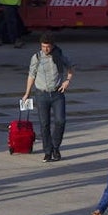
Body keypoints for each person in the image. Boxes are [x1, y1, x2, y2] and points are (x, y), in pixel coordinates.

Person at [21, 33, 74, 163]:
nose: (45, 49)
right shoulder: (37, 57)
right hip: (41, 94)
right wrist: (27, 93)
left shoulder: (59, 56)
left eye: (48, 47)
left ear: (53, 46)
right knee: (44, 124)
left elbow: (70, 67)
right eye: (43, 46)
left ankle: (55, 147)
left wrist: (67, 80)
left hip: (57, 94)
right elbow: (31, 75)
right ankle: (47, 151)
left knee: (60, 121)